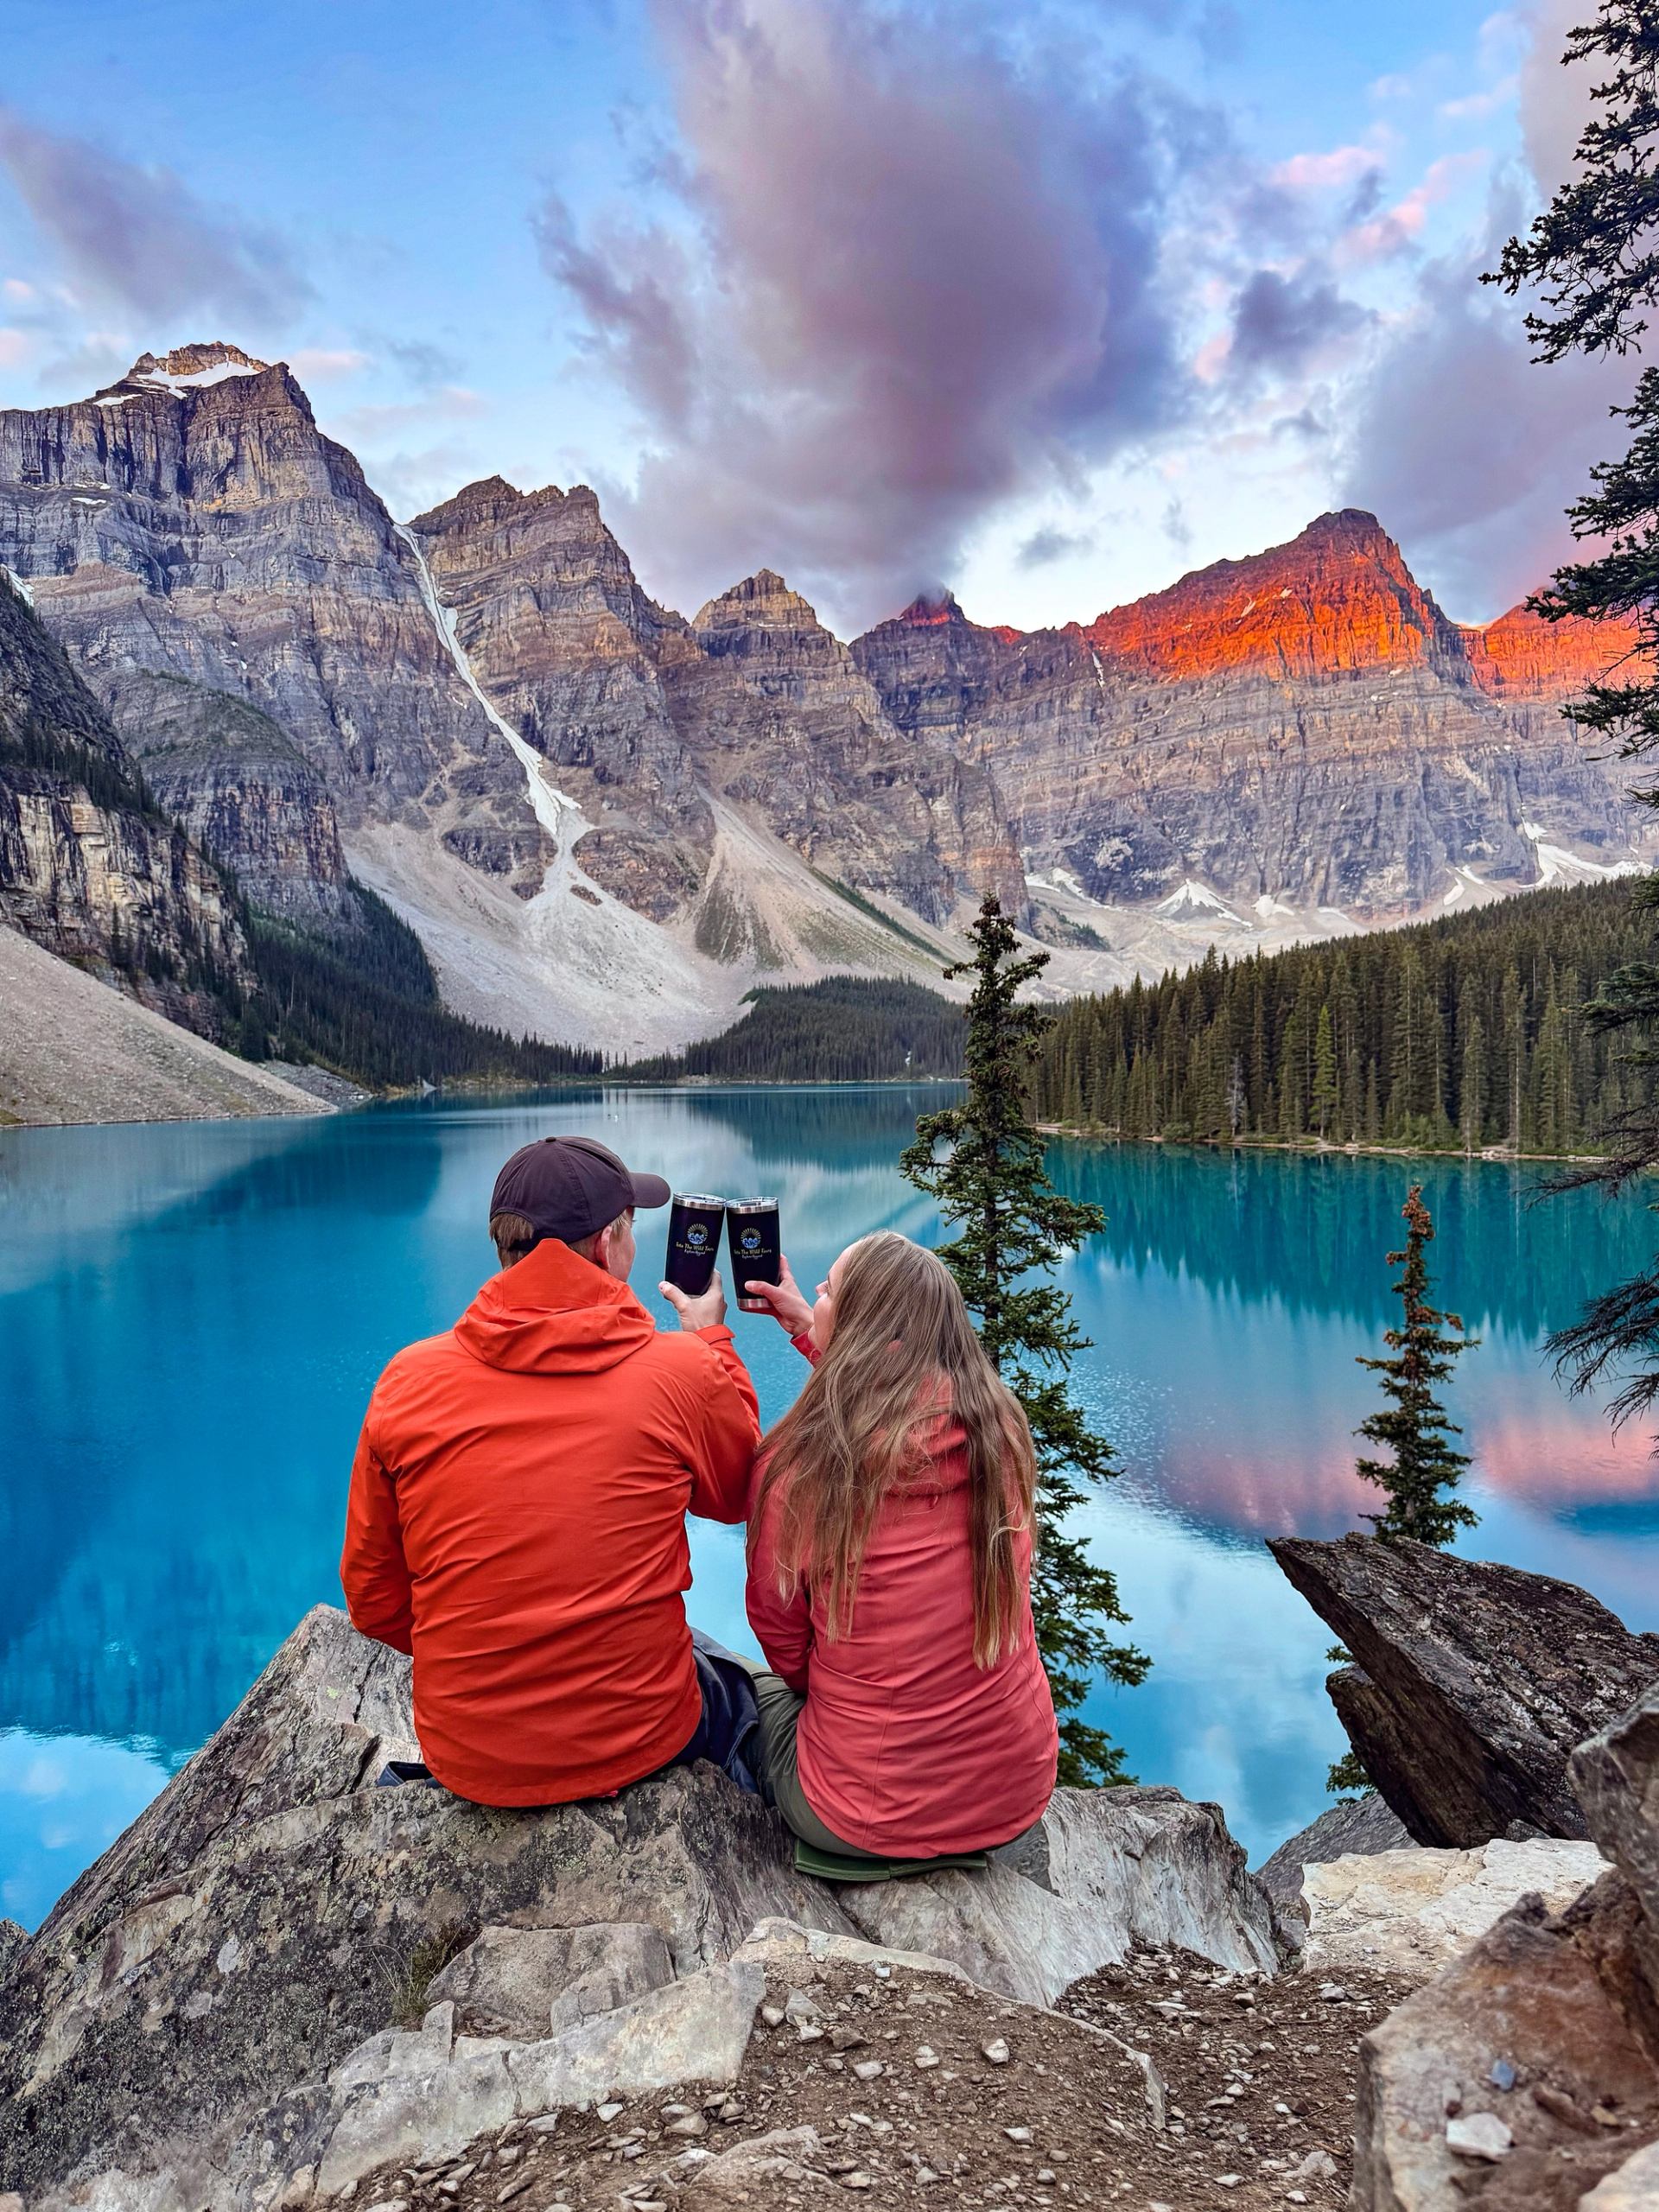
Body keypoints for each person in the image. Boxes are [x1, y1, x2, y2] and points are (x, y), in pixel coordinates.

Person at [340, 1135, 763, 1807]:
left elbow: (373, 1597)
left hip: (469, 1757)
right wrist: (711, 1340)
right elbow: (741, 1494)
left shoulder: (407, 1380)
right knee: (737, 1694)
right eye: (629, 1228)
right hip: (639, 1738)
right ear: (605, 1248)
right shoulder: (677, 1370)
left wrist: (496, 1657)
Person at [741, 1230, 1058, 1861]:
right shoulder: (1000, 1437)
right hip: (1014, 1797)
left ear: (863, 1327)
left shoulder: (799, 1470)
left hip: (860, 1816)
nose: (818, 1293)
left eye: (828, 1289)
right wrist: (812, 1328)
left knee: (731, 1687)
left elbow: (784, 1645)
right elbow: (893, 1411)